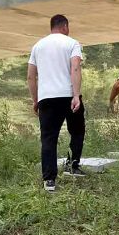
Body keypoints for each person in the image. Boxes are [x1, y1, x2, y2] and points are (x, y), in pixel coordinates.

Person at [27, 14, 85, 192]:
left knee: (48, 138)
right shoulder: (72, 43)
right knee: (77, 130)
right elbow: (75, 68)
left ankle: (49, 181)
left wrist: (36, 100)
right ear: (65, 26)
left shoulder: (37, 46)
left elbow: (30, 76)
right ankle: (73, 166)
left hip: (47, 99)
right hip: (67, 96)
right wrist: (76, 96)